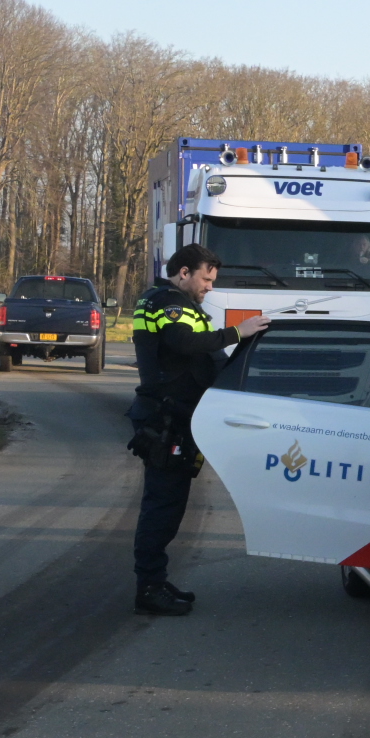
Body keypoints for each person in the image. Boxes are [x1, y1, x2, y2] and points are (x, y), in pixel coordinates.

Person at [127, 244, 271, 615]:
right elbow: (184, 343)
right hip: (165, 419)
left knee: (169, 506)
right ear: (184, 272)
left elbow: (206, 359)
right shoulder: (166, 302)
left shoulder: (182, 306)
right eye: (206, 279)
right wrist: (238, 332)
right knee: (161, 506)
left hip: (176, 418)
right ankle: (148, 587)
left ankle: (155, 580)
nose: (210, 287)